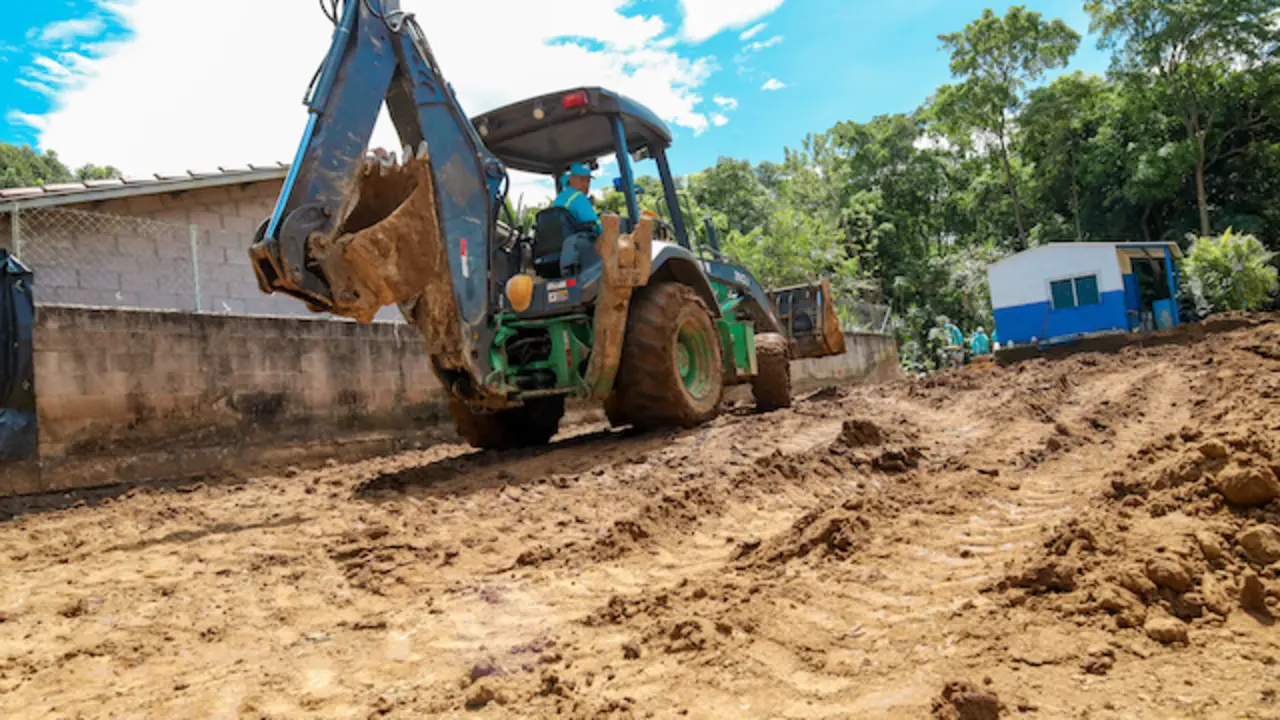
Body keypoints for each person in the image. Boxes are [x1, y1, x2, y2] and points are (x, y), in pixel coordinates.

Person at [551, 162, 601, 275]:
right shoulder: (579, 197)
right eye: (583, 180)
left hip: (558, 255)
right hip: (576, 255)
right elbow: (596, 226)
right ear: (572, 179)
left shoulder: (559, 198)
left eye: (588, 180)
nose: (586, 184)